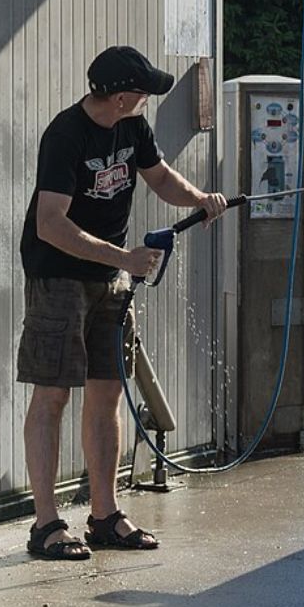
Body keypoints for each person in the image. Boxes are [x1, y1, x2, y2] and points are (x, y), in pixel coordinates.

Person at [18, 46, 226, 560]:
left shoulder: (133, 128)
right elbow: (50, 224)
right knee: (53, 396)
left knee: (107, 392)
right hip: (59, 276)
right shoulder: (66, 134)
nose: (146, 99)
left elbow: (159, 177)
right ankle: (45, 525)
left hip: (111, 278)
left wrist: (200, 199)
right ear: (118, 93)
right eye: (141, 91)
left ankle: (104, 516)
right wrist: (125, 258)